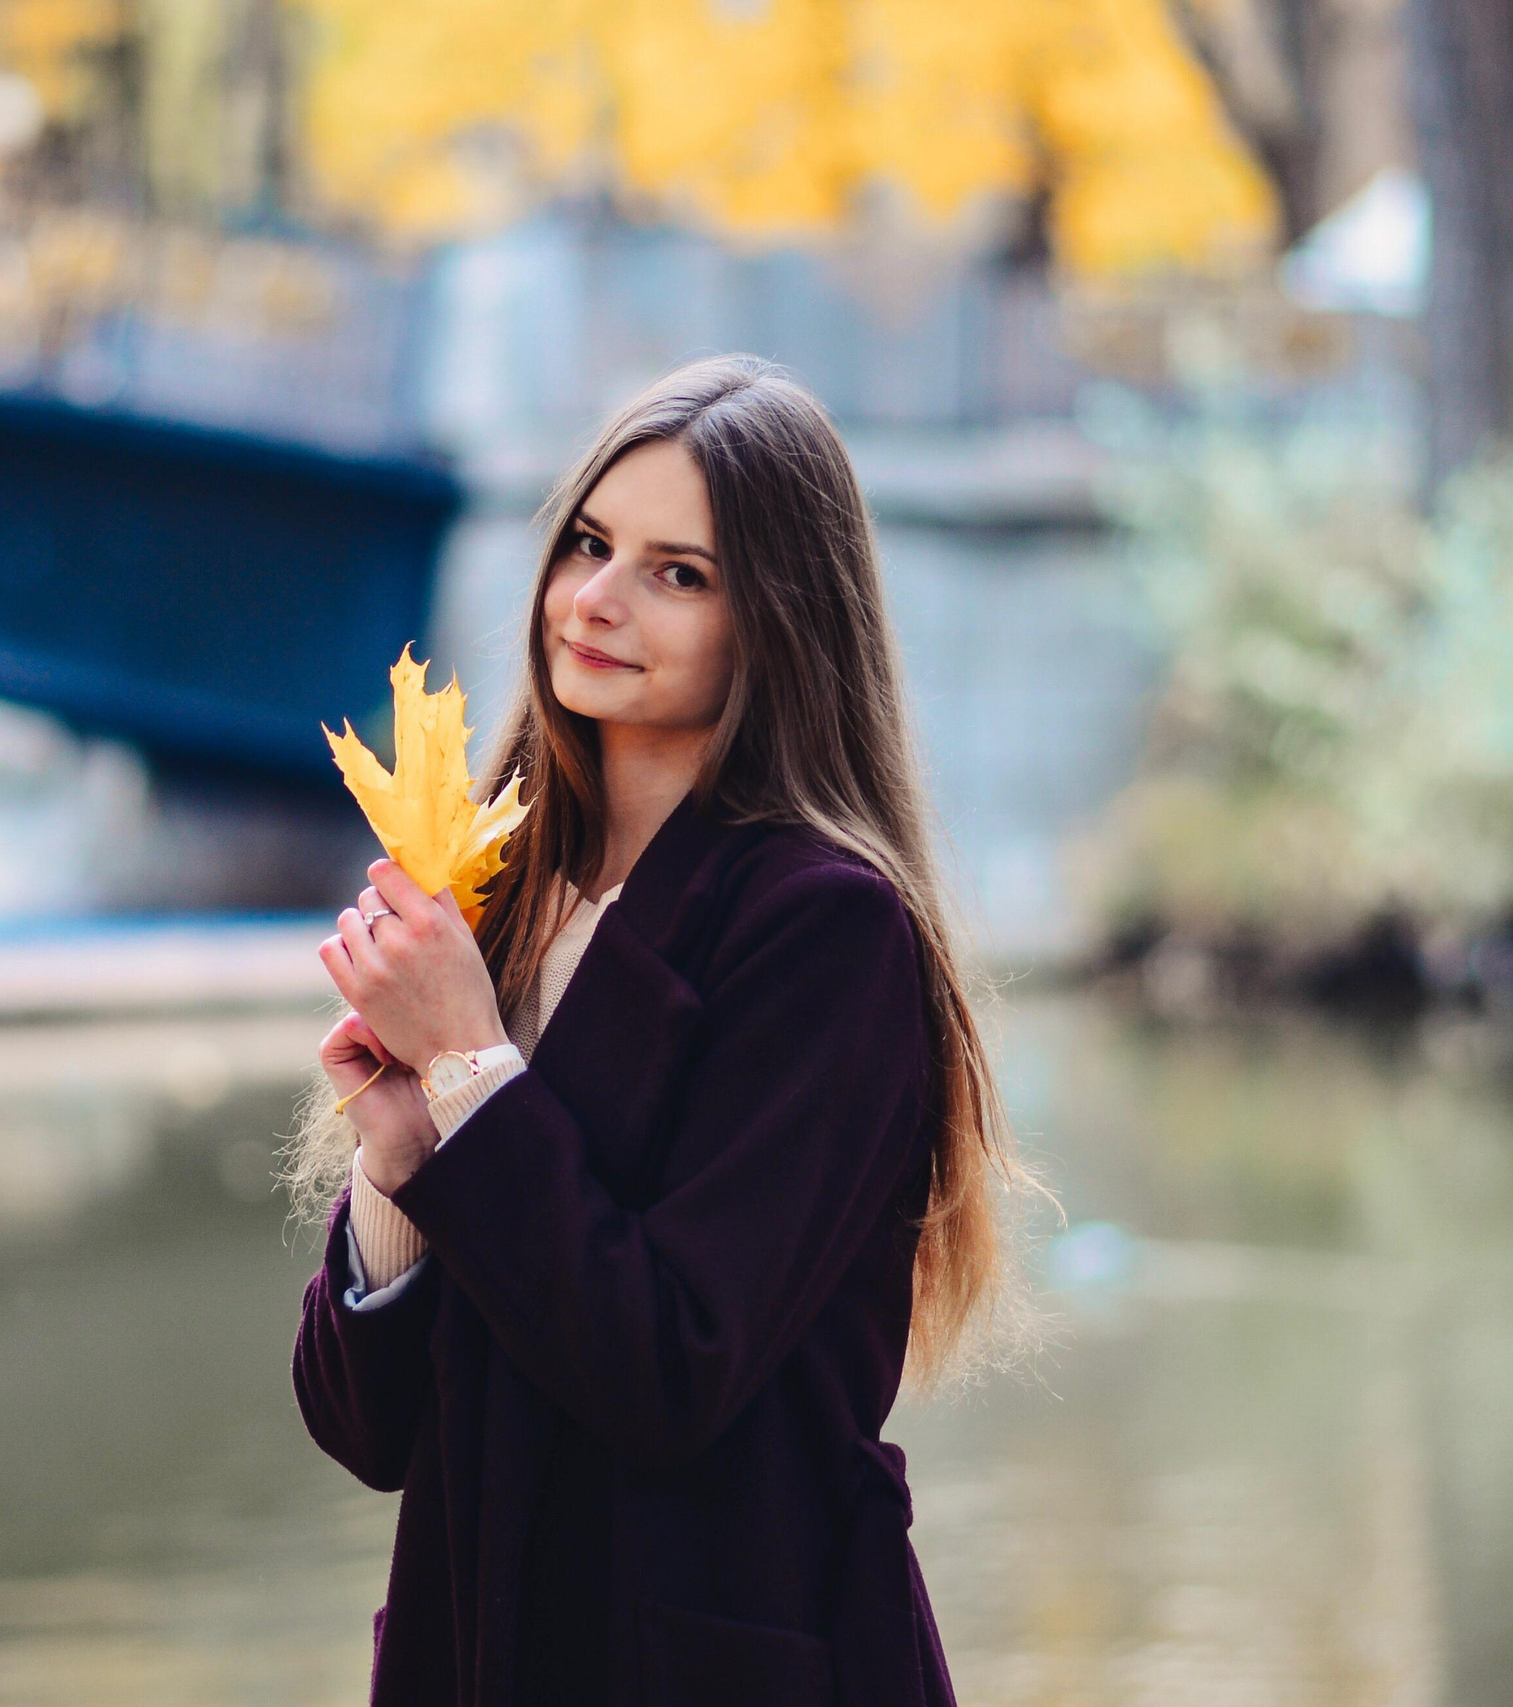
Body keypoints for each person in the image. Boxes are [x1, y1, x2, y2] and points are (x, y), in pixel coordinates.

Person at [285, 354, 1039, 1706]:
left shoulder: (829, 930)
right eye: (589, 543)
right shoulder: (496, 895)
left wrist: (470, 1062)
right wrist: (398, 1165)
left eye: (677, 573)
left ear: (779, 621)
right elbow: (370, 1431)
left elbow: (667, 1369)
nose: (598, 599)